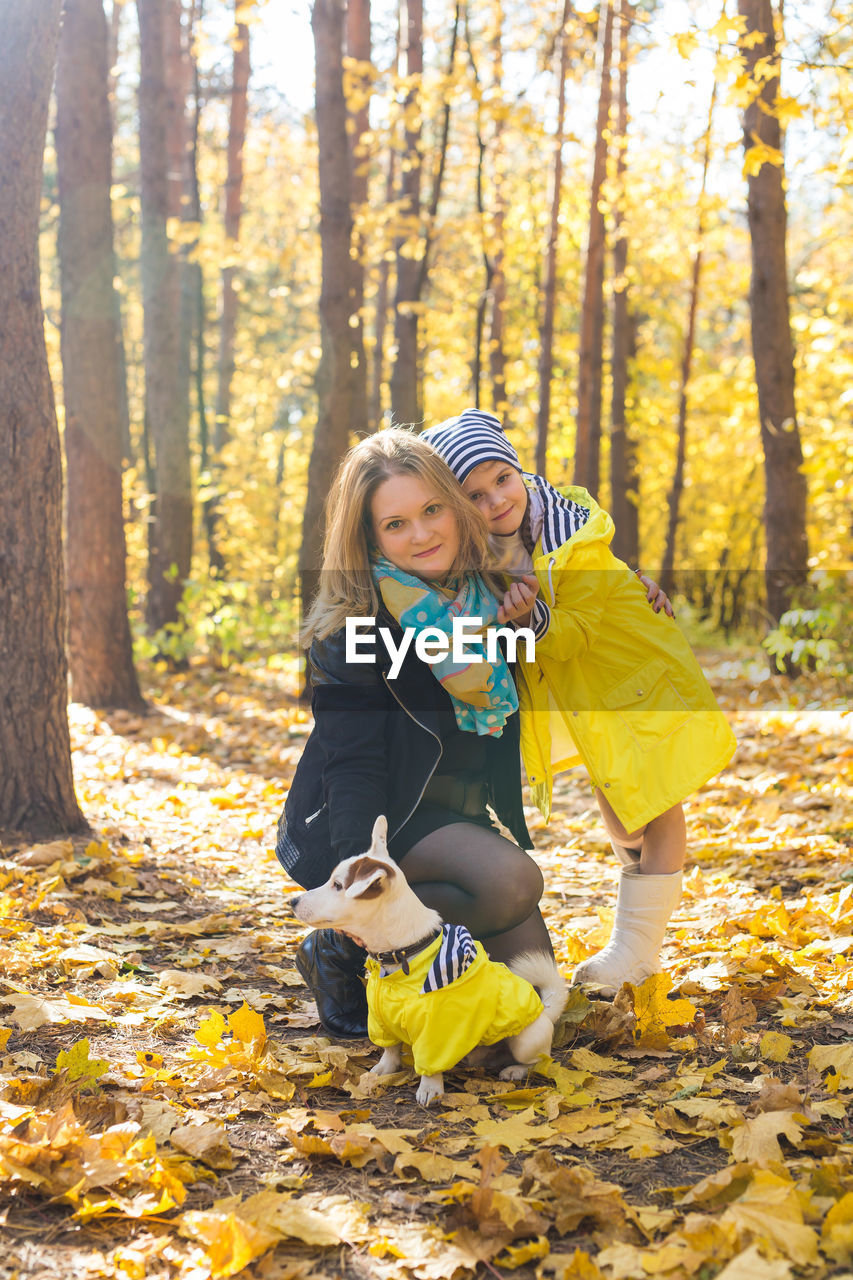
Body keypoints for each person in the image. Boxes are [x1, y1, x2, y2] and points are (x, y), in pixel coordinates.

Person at [422, 407, 737, 993]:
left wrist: (534, 617)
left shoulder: (572, 535)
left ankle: (638, 951)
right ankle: (642, 914)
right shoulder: (484, 551)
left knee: (655, 803)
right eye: (476, 493)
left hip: (631, 682)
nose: (495, 500)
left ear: (521, 472)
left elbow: (575, 627)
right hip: (591, 696)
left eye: (503, 479)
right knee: (619, 808)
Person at [276, 428, 554, 1037]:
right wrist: (357, 863)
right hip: (381, 818)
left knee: (531, 1001)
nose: (422, 534)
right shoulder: (356, 625)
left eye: (431, 510)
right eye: (395, 524)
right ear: (370, 537)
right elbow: (352, 765)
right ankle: (341, 950)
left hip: (460, 816)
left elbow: (572, 550)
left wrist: (637, 587)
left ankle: (401, 958)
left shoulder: (490, 596)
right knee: (512, 883)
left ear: (456, 509)